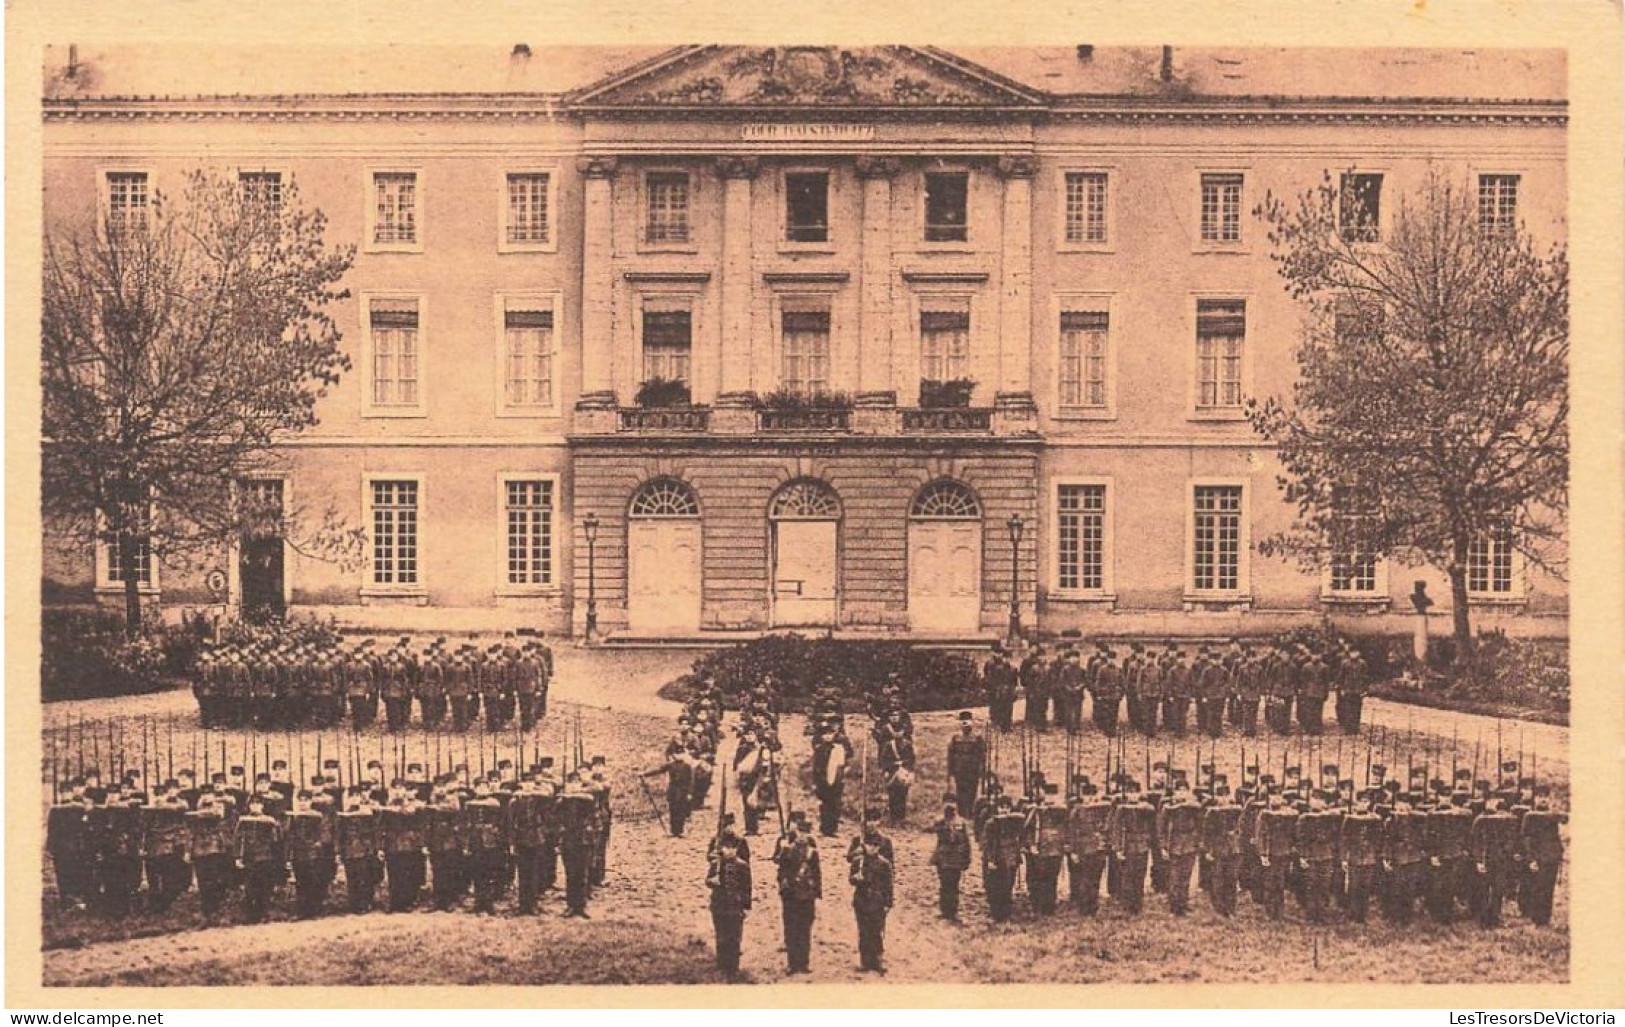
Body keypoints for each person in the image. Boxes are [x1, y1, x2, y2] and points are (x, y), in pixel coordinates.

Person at [774, 811, 822, 974]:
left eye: (805, 833)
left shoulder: (812, 853)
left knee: (805, 929)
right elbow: (781, 872)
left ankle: (804, 963)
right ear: (796, 832)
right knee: (792, 928)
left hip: (807, 895)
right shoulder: (787, 850)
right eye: (800, 832)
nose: (802, 836)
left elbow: (817, 873)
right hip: (792, 895)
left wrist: (816, 892)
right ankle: (793, 964)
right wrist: (784, 888)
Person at [849, 812, 895, 974]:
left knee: (876, 931)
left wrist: (888, 903)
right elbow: (851, 868)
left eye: (875, 845)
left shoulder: (885, 859)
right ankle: (865, 961)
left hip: (877, 900)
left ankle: (877, 960)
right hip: (862, 900)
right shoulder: (859, 856)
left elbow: (889, 882)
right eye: (869, 845)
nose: (872, 847)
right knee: (864, 931)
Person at [707, 830, 753, 975]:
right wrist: (712, 881)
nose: (729, 851)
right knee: (721, 935)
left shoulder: (743, 866)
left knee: (734, 936)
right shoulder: (717, 865)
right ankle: (721, 964)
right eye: (726, 848)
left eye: (732, 848)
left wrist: (746, 906)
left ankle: (733, 965)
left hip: (735, 905)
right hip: (719, 905)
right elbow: (708, 880)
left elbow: (747, 887)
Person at [1518, 787, 1565, 926]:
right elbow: (1526, 838)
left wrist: (1559, 854)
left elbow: (1563, 821)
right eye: (1540, 796)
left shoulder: (1552, 815)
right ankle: (1536, 919)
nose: (1543, 799)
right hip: (1538, 857)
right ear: (1535, 798)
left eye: (1546, 796)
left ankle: (1545, 919)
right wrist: (1531, 858)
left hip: (1552, 856)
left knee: (1548, 889)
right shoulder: (1530, 816)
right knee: (1538, 888)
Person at [928, 797, 972, 920]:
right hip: (943, 858)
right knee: (944, 884)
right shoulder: (940, 822)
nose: (950, 805)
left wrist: (967, 858)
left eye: (952, 803)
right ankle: (944, 910)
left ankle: (953, 911)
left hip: (956, 858)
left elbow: (965, 841)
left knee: (954, 885)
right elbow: (940, 834)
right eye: (947, 803)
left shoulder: (961, 823)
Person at [984, 647, 1017, 731]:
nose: (1007, 660)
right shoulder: (993, 666)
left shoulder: (1013, 669)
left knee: (1008, 708)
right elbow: (990, 677)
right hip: (996, 689)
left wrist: (1013, 690)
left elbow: (1014, 681)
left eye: (1008, 658)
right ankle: (996, 722)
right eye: (1005, 658)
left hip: (1008, 690)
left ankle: (1006, 724)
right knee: (996, 706)